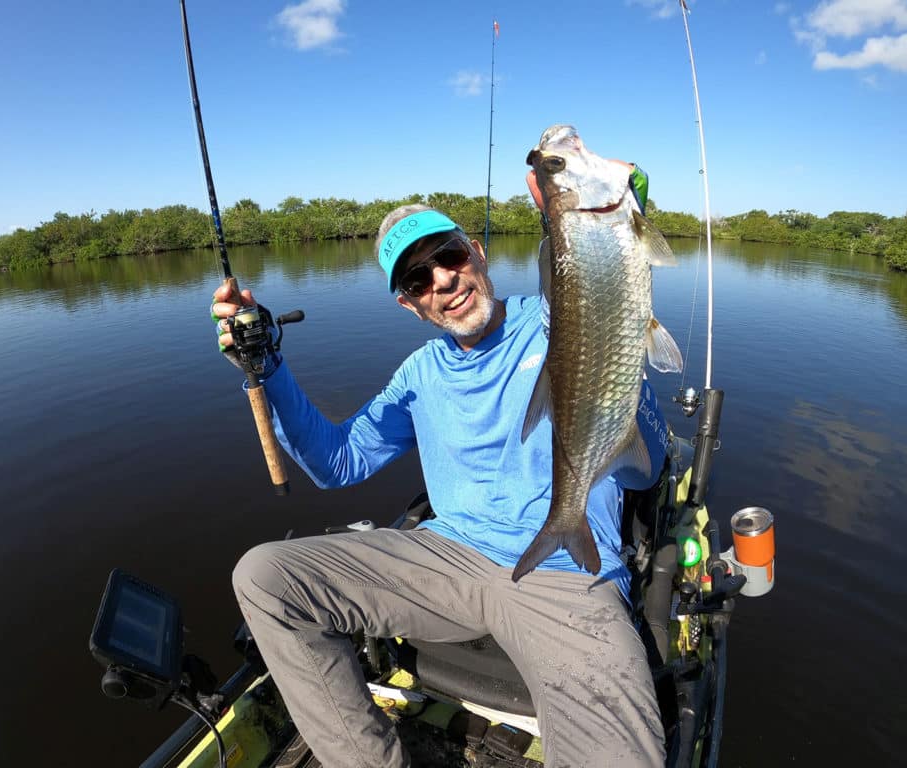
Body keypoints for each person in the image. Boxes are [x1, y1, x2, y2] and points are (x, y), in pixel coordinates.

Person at [211, 172, 668, 767]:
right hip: (447, 557)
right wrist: (265, 363)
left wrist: (595, 233)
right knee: (266, 576)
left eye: (448, 255)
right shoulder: (418, 375)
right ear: (410, 304)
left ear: (475, 251)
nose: (443, 281)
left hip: (563, 568)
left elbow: (645, 468)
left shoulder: (557, 321)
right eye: (418, 279)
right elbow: (338, 461)